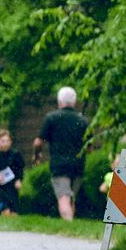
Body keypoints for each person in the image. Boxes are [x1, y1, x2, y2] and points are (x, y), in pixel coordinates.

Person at [34, 86, 89, 220]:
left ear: (59, 101)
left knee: (64, 197)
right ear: (74, 102)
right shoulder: (83, 121)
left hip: (60, 165)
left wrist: (37, 155)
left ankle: (68, 225)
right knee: (71, 198)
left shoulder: (52, 118)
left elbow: (38, 143)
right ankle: (71, 226)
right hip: (78, 164)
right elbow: (89, 146)